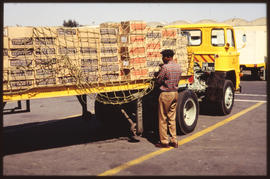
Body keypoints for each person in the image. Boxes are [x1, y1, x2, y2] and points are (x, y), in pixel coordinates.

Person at [154, 49, 182, 148]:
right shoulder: (178, 66)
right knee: (172, 118)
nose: (162, 59)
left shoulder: (165, 68)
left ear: (167, 57)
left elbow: (159, 80)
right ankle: (174, 140)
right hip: (175, 93)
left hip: (166, 94)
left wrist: (156, 76)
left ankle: (164, 141)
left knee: (162, 118)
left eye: (163, 57)